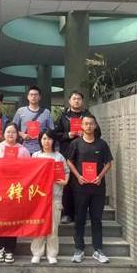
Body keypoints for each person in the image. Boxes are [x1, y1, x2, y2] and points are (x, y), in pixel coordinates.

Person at [67, 115, 113, 264]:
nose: (88, 126)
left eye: (91, 124)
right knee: (79, 219)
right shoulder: (75, 143)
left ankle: (98, 250)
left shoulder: (102, 144)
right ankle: (79, 249)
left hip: (97, 188)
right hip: (80, 187)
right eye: (86, 124)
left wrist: (100, 176)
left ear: (95, 126)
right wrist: (78, 176)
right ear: (81, 126)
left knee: (96, 219)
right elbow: (69, 161)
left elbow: (108, 163)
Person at [54, 90, 101, 224]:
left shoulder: (88, 116)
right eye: (74, 98)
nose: (76, 101)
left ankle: (80, 213)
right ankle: (67, 213)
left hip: (84, 153)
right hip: (67, 153)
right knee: (67, 184)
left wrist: (86, 133)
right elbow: (55, 134)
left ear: (82, 101)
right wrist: (67, 135)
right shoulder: (63, 117)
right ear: (69, 101)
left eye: (79, 98)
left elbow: (98, 133)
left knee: (82, 184)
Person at [0, 123, 30, 264]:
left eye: (13, 132)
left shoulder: (23, 151)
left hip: (15, 190)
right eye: (8, 132)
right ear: (3, 133)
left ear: (18, 134)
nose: (10, 134)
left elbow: (28, 170)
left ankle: (10, 249)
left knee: (12, 220)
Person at [30, 129, 70, 265]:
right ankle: (37, 253)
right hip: (39, 198)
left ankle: (52, 254)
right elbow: (30, 173)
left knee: (53, 228)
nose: (46, 141)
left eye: (49, 139)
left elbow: (66, 171)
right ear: (40, 140)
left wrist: (65, 181)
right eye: (44, 139)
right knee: (39, 226)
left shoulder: (59, 156)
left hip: (55, 196)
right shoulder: (35, 156)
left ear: (54, 141)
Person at [12, 85, 54, 154]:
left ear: (39, 97)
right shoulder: (21, 111)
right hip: (24, 148)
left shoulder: (46, 112)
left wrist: (42, 135)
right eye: (31, 95)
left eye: (36, 95)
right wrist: (22, 134)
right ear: (28, 97)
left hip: (41, 149)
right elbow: (13, 128)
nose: (33, 97)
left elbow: (51, 130)